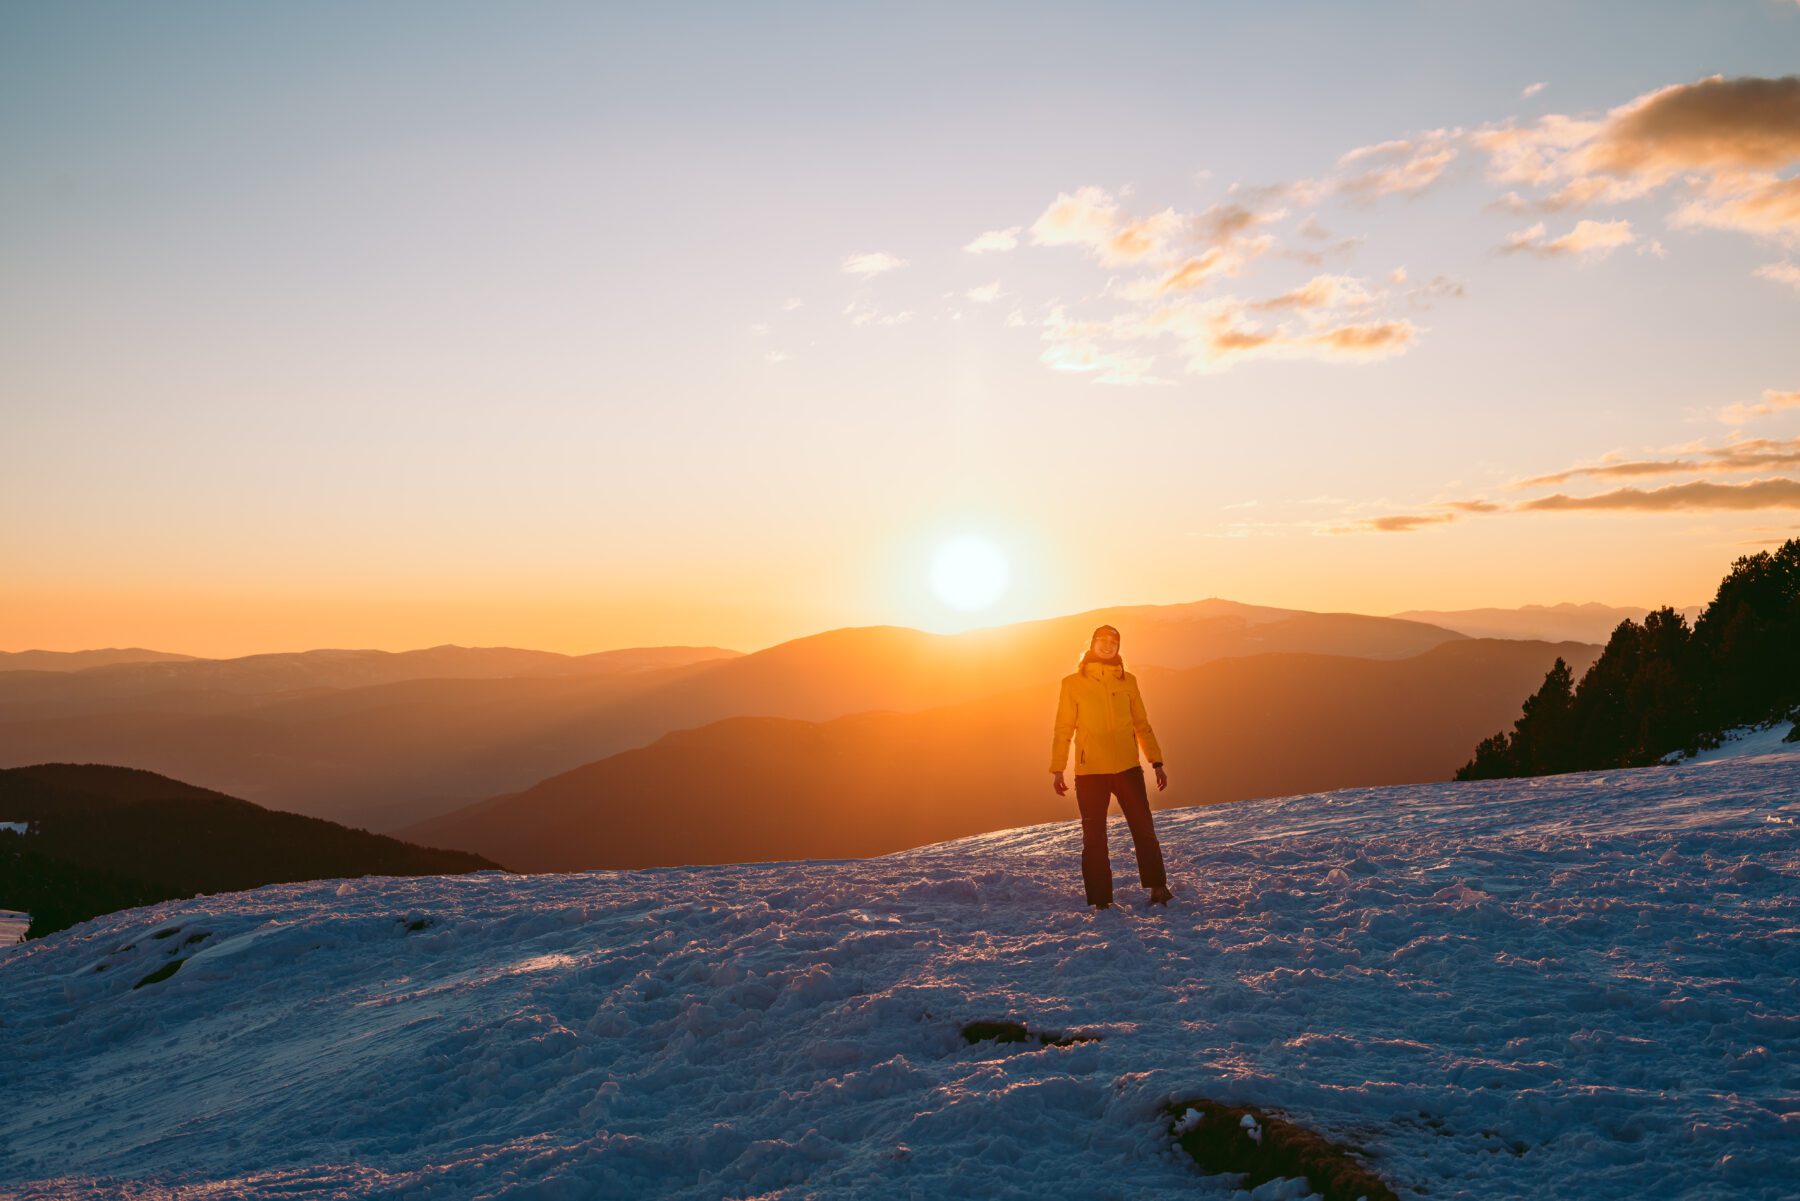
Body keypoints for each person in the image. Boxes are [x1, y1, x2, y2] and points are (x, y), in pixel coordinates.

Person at [1049, 624, 1173, 909]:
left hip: (1127, 768)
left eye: (1113, 642)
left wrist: (1157, 762)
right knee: (1094, 838)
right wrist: (1057, 768)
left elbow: (1141, 723)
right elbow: (1063, 728)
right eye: (1101, 641)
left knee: (1144, 829)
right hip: (1090, 773)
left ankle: (1158, 887)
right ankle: (1101, 901)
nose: (1107, 646)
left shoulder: (1128, 680)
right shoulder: (1072, 683)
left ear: (1119, 647)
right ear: (1091, 644)